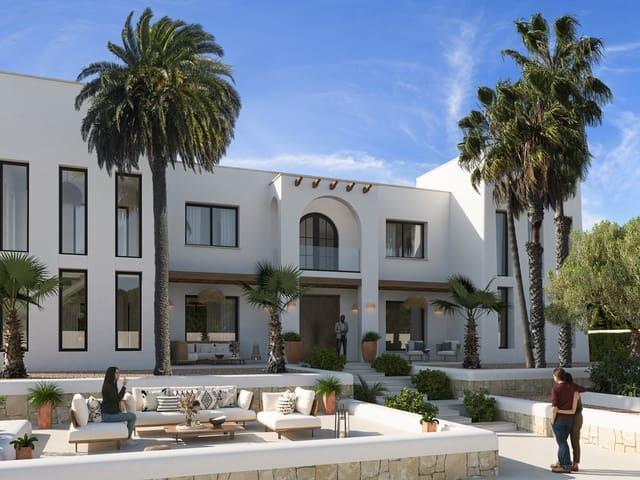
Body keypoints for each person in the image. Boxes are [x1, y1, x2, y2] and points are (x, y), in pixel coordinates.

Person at [552, 372, 586, 472]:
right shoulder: (570, 389)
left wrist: (557, 412)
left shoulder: (574, 390)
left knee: (574, 440)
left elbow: (574, 409)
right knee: (563, 441)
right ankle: (561, 461)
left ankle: (575, 463)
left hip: (576, 417)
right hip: (569, 417)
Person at [101, 366, 136, 439]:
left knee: (129, 415)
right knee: (132, 417)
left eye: (119, 373)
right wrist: (124, 386)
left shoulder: (112, 385)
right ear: (111, 374)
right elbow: (117, 399)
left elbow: (116, 399)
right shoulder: (108, 387)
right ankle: (127, 438)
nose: (118, 374)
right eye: (116, 373)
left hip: (111, 413)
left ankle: (126, 436)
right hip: (108, 415)